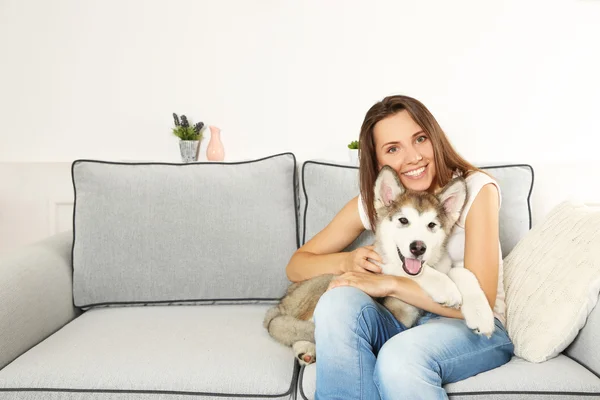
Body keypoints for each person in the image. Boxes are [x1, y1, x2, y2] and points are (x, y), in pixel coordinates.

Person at [285, 95, 514, 400]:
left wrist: (389, 283)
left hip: (473, 325)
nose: (413, 157)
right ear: (378, 162)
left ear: (434, 138)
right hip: (403, 318)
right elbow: (297, 265)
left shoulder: (473, 190)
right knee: (335, 302)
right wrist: (347, 261)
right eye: (393, 148)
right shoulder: (384, 202)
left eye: (420, 139)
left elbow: (479, 301)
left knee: (398, 357)